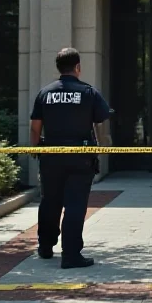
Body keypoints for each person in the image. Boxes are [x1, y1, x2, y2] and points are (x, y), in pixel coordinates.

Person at [29, 47, 111, 269]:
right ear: (78, 67)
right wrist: (103, 147)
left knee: (50, 201)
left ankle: (45, 247)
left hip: (51, 156)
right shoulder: (89, 93)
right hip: (80, 157)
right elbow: (101, 123)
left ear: (58, 68)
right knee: (75, 204)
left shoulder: (45, 93)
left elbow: (35, 127)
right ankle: (71, 255)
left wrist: (37, 148)